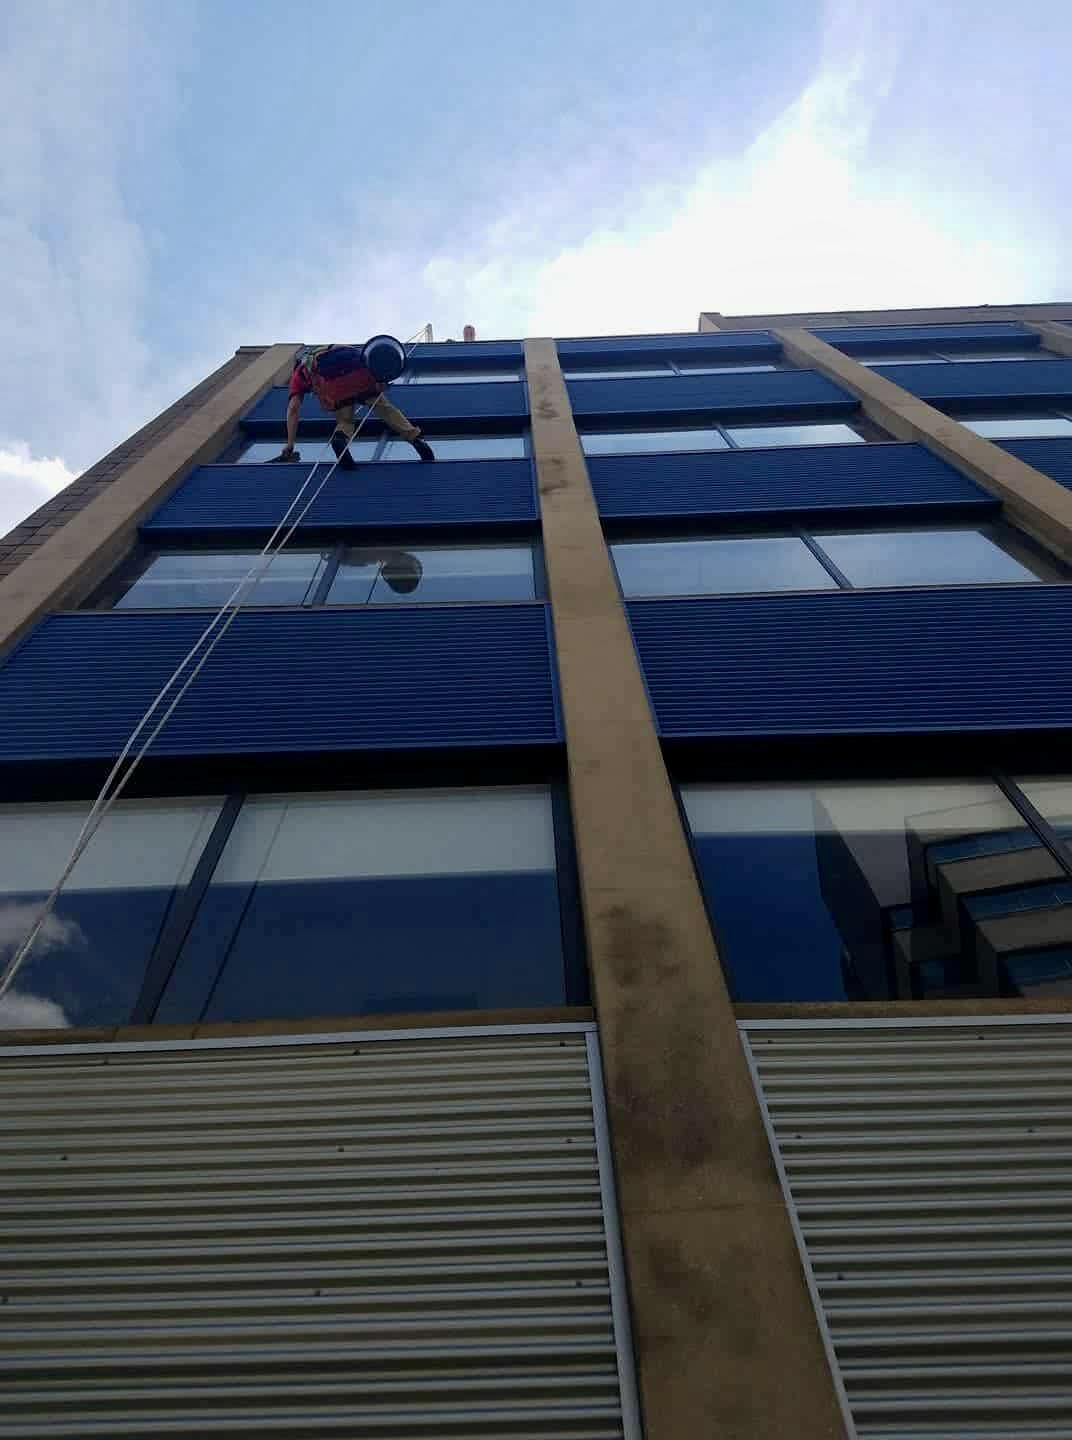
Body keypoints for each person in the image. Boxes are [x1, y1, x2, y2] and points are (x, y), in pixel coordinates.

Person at [271, 340, 435, 468]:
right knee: (385, 408)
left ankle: (340, 438)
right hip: (358, 369)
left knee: (345, 420)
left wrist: (290, 443)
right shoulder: (331, 348)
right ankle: (416, 438)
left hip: (332, 382)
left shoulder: (299, 374)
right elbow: (365, 358)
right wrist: (380, 380)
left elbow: (293, 409)